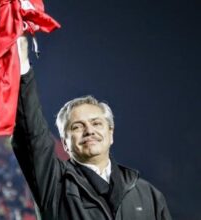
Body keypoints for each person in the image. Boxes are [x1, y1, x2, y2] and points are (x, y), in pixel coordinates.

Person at [11, 35, 172, 220]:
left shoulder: (148, 194)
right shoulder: (54, 184)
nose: (89, 130)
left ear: (111, 134)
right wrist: (22, 66)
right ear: (64, 143)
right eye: (77, 127)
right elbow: (31, 135)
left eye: (96, 123)